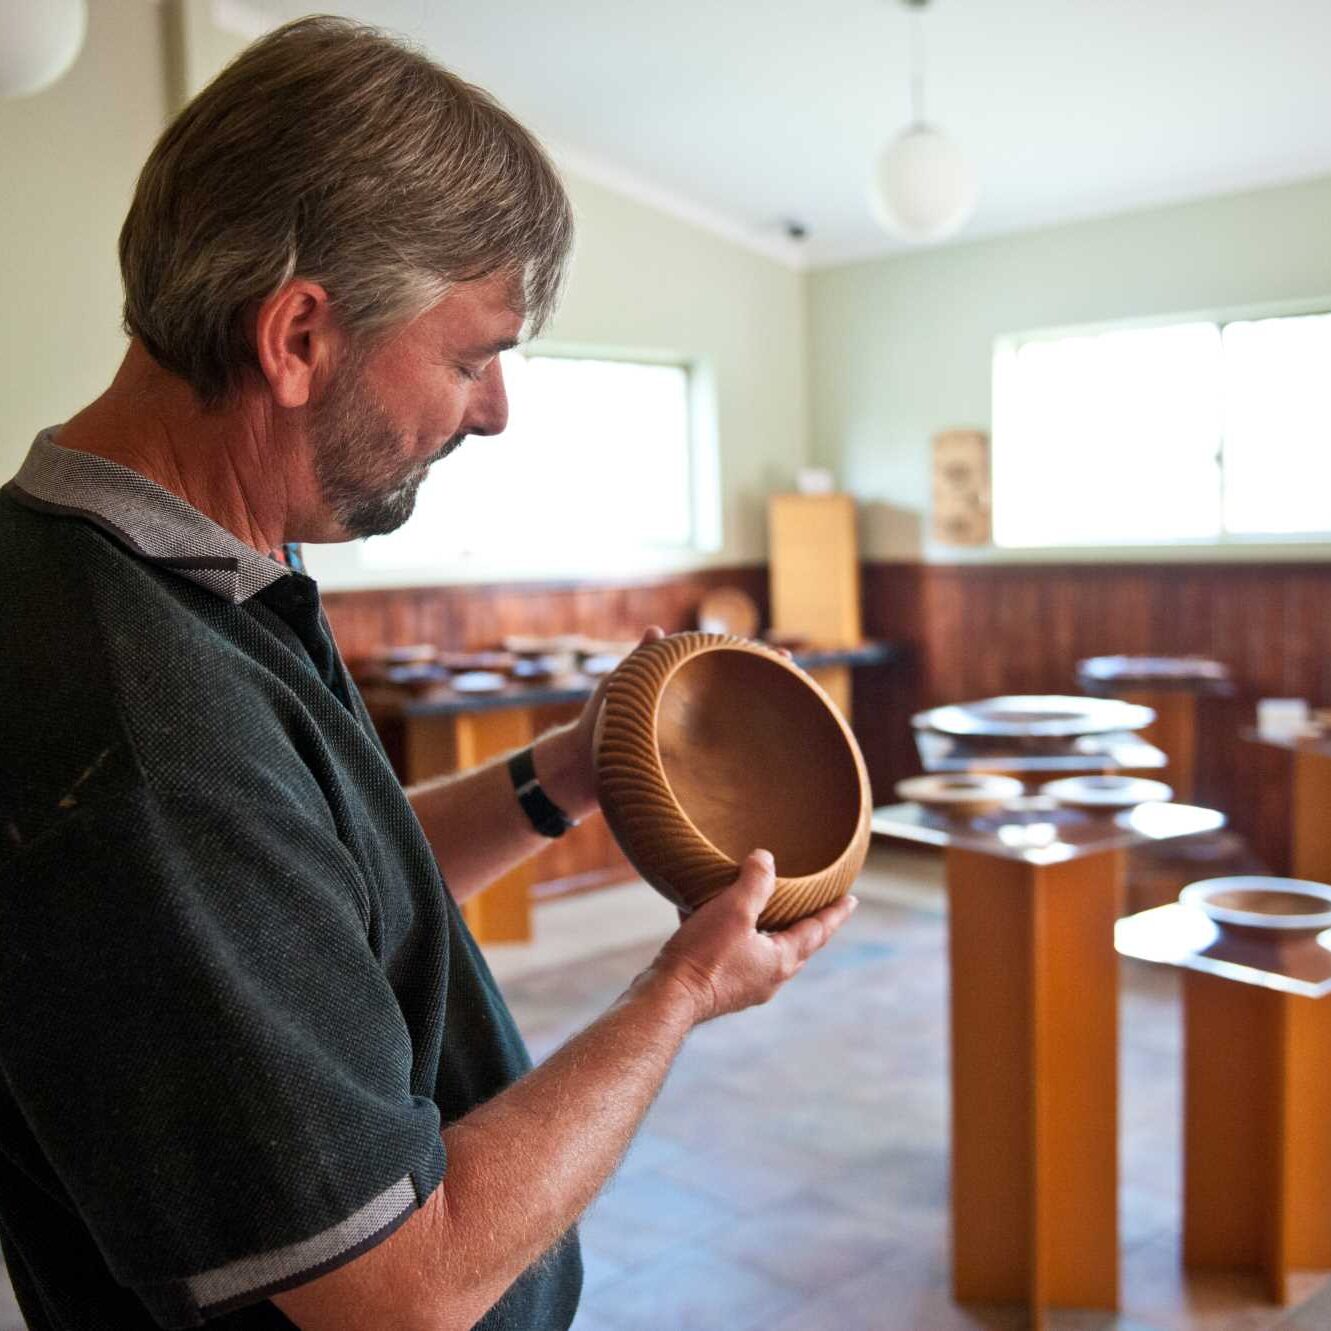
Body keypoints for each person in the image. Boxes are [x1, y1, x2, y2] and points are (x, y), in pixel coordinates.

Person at [0, 16, 856, 1331]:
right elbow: (399, 1292)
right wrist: (680, 989)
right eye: (468, 356)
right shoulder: (147, 726)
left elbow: (308, 904)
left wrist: (565, 774)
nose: (496, 406)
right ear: (296, 338)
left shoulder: (173, 572)